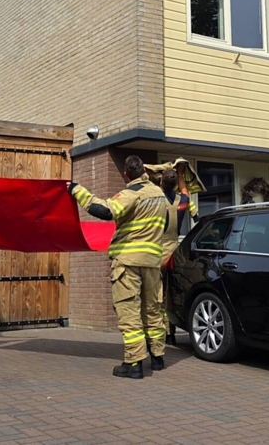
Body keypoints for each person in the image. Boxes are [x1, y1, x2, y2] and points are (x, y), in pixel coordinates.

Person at [68, 155, 168, 379]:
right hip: (152, 262)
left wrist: (77, 190)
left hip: (128, 262)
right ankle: (158, 357)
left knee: (129, 311)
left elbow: (104, 211)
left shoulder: (130, 194)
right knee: (152, 310)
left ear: (125, 174)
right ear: (143, 170)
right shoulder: (158, 194)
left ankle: (133, 364)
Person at [157, 168, 189, 347]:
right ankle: (172, 333)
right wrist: (181, 174)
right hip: (174, 251)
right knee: (172, 293)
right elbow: (185, 192)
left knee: (158, 295)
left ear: (161, 183)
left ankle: (161, 332)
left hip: (158, 251)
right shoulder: (182, 202)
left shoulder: (156, 200)